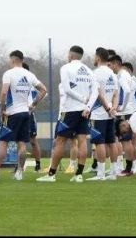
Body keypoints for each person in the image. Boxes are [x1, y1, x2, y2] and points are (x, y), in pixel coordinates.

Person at [0, 51, 47, 181]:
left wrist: (1, 109)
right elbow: (44, 89)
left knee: (3, 143)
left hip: (12, 114)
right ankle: (20, 172)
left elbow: (4, 93)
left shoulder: (9, 74)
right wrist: (33, 105)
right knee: (21, 143)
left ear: (13, 60)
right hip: (26, 113)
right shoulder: (29, 74)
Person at [37, 45, 97, 183]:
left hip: (70, 110)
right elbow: (94, 92)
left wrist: (82, 100)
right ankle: (79, 174)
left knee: (60, 141)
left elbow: (67, 89)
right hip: (85, 111)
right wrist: (88, 106)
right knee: (82, 141)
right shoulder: (89, 71)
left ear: (70, 55)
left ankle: (51, 175)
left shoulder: (65, 68)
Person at [87, 48, 118, 181]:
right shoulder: (112, 73)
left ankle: (100, 174)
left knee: (99, 143)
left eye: (94, 56)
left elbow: (98, 93)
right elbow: (116, 93)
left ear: (98, 58)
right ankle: (113, 173)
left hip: (99, 114)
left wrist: (106, 108)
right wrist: (113, 108)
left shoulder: (96, 73)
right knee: (111, 142)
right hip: (111, 113)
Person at [109, 54, 136, 176]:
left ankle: (129, 169)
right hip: (126, 111)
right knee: (124, 141)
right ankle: (128, 168)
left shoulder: (122, 75)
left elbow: (128, 91)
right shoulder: (121, 75)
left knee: (126, 141)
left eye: (111, 65)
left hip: (125, 112)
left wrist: (123, 107)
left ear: (116, 64)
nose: (110, 68)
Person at [22, 62, 44, 172]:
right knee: (19, 141)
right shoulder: (14, 79)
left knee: (33, 141)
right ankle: (19, 166)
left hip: (29, 114)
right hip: (17, 112)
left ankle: (38, 165)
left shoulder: (31, 81)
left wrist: (34, 104)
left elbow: (44, 92)